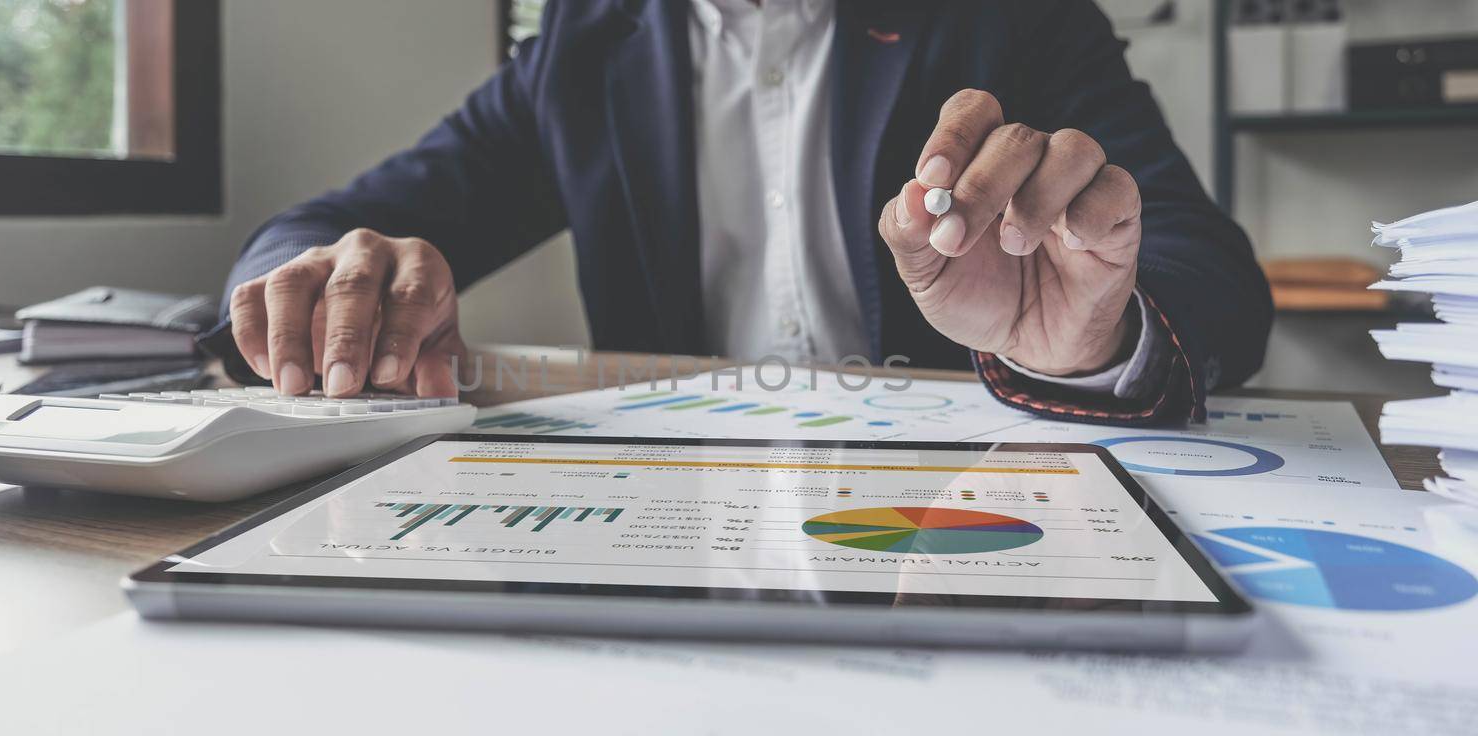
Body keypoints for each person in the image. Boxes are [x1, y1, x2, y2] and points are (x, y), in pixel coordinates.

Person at [205, 0, 1272, 426]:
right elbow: (331, 224)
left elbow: (1209, 273)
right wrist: (329, 276)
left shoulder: (1011, 18)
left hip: (968, 519)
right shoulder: (585, 51)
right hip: (678, 535)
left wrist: (1083, 339)